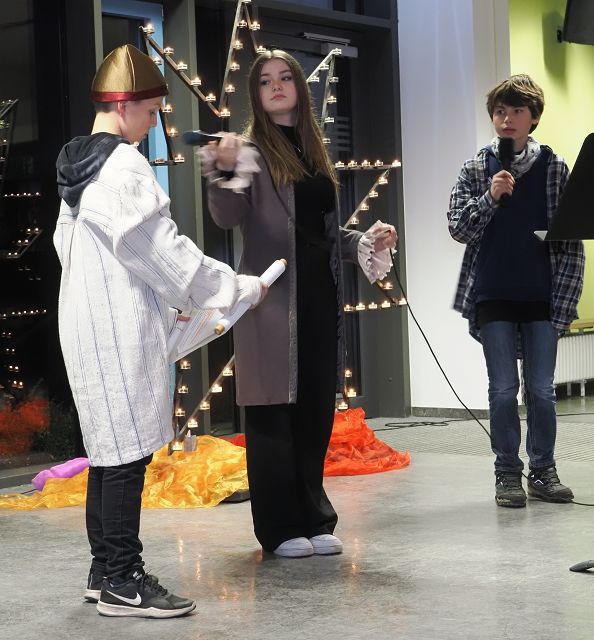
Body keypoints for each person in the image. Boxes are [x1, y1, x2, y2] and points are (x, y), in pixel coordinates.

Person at [54, 44, 264, 618]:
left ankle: (104, 570)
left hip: (84, 323)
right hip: (118, 327)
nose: (153, 125)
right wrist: (235, 288)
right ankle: (124, 580)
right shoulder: (122, 166)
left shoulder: (75, 168)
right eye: (150, 112)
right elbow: (166, 256)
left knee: (107, 452)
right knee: (125, 456)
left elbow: (74, 251)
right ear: (124, 106)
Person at [200, 50, 397, 557]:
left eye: (285, 77)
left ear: (299, 89)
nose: (277, 85)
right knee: (272, 415)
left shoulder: (314, 152)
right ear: (255, 95)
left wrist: (363, 243)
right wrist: (223, 170)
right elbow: (225, 217)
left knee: (313, 412)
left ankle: (314, 518)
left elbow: (322, 233)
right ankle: (280, 528)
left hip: (318, 297)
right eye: (266, 80)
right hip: (269, 301)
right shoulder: (247, 152)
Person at [447, 74, 584, 508]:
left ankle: (543, 470)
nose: (507, 119)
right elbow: (458, 228)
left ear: (534, 118)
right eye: (500, 111)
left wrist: (566, 301)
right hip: (492, 293)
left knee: (541, 390)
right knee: (503, 389)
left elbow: (572, 237)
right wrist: (490, 197)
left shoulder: (555, 167)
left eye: (517, 111)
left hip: (542, 295)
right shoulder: (476, 168)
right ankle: (507, 472)